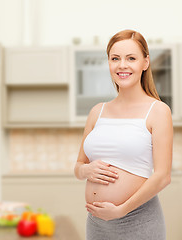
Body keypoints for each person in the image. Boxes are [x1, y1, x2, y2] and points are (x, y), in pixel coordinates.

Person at [74, 29, 173, 240]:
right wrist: (86, 170)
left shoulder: (157, 111)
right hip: (96, 224)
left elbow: (163, 176)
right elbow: (78, 167)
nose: (122, 65)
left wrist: (121, 210)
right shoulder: (97, 111)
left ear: (145, 62)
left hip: (138, 222)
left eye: (131, 58)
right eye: (115, 58)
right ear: (108, 63)